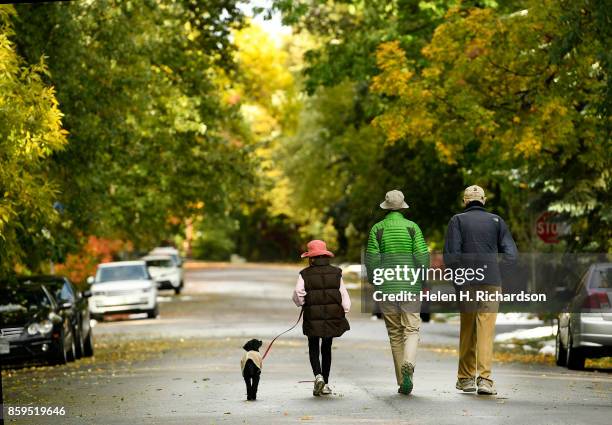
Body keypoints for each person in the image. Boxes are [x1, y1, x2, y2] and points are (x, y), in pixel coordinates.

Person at [443, 185, 517, 395]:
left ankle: (466, 379)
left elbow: (451, 256)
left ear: (465, 201)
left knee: (468, 328)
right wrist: (498, 273)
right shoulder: (497, 222)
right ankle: (484, 380)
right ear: (483, 200)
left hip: (467, 281)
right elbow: (512, 255)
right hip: (491, 281)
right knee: (486, 329)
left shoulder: (457, 220)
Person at [365, 190, 429, 395]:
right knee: (411, 329)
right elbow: (422, 257)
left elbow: (372, 260)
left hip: (387, 288)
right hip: (410, 286)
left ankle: (402, 381)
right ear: (402, 207)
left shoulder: (378, 229)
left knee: (395, 334)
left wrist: (376, 282)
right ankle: (409, 364)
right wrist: (422, 278)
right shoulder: (412, 228)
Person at [292, 240, 351, 396]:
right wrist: (344, 310)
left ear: (311, 258)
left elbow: (298, 293)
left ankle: (318, 376)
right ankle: (325, 382)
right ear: (325, 255)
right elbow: (344, 294)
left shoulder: (304, 274)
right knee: (326, 348)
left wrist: (303, 303)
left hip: (312, 316)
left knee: (313, 347)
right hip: (332, 316)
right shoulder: (337, 272)